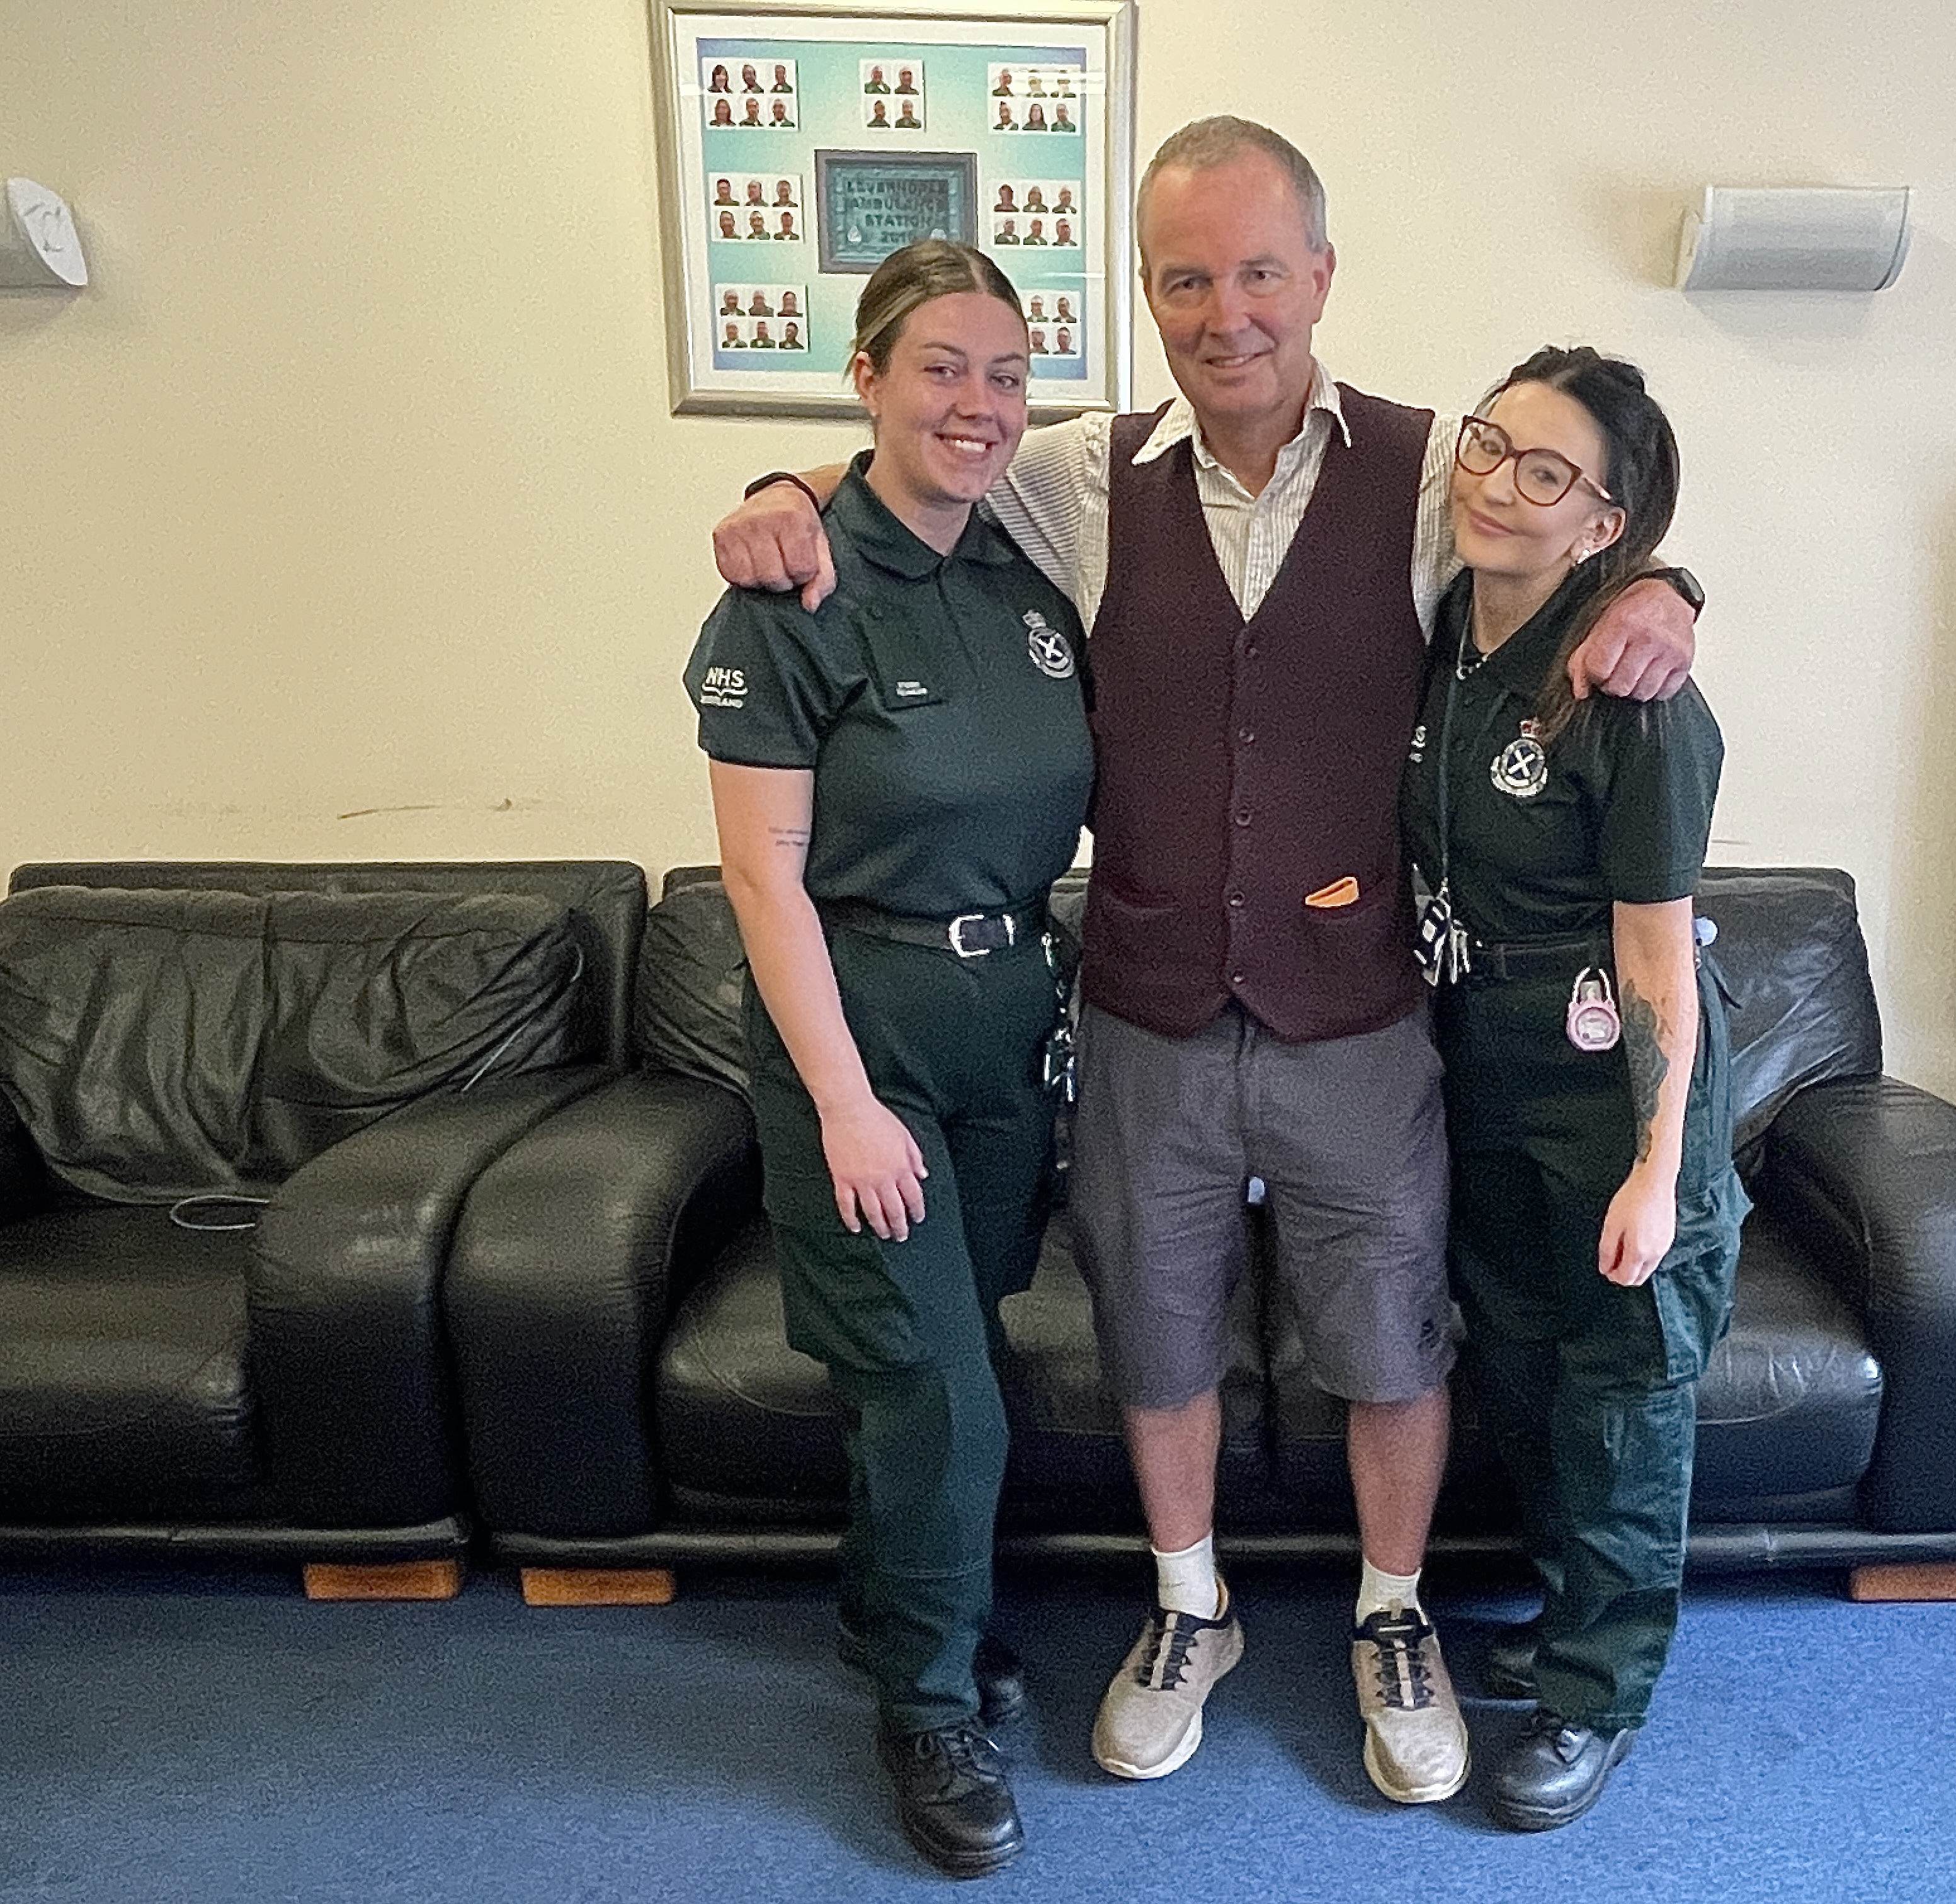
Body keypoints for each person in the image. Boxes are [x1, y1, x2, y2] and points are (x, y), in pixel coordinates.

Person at [707, 115, 1698, 1810]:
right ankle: (1191, 1605)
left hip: (1359, 1015)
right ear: (1148, 296)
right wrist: (775, 487)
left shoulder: (1428, 472)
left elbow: (1572, 524)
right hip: (1147, 1008)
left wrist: (1672, 584)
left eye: (1258, 271)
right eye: (1185, 279)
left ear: (1318, 276)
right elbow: (903, 449)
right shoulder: (1073, 472)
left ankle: (1394, 1616)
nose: (1225, 310)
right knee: (1159, 1339)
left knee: (1391, 1339)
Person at [684, 240, 1090, 1878]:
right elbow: (757, 875)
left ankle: (883, 1607)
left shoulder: (1036, 570)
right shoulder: (787, 588)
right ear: (865, 377)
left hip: (1009, 1026)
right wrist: (847, 1103)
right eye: (940, 366)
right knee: (937, 1386)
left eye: (1007, 372)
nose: (978, 403)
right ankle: (928, 1705)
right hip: (858, 1031)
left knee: (946, 1349)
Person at [1400, 349, 1741, 1830]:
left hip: (1612, 1081)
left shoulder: (1637, 698)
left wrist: (1658, 1168)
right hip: (1477, 1063)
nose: (1495, 480)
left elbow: (1661, 962)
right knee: (1528, 1373)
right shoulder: (1442, 640)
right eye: (1491, 443)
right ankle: (1565, 1622)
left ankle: (1598, 1694)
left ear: (1605, 527)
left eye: (1547, 472)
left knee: (1619, 1396)